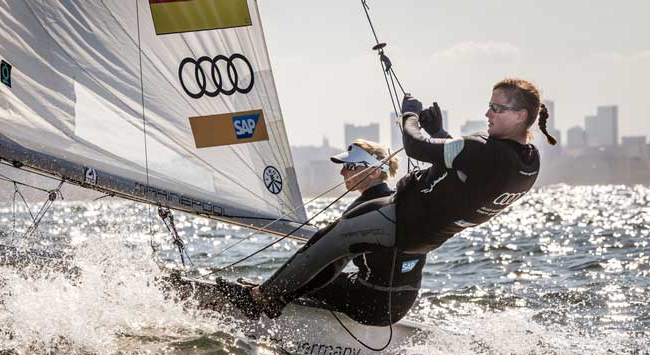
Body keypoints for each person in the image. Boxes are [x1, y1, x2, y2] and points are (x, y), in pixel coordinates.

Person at [223, 78, 556, 321]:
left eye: (498, 108)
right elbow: (467, 170)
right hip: (424, 233)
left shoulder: (484, 150)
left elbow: (415, 146)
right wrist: (441, 135)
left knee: (331, 242)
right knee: (339, 243)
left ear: (522, 115)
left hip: (405, 222)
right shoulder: (528, 161)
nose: (488, 112)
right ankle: (280, 294)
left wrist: (408, 116)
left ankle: (263, 299)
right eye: (490, 104)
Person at [267, 139, 426, 326]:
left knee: (311, 277)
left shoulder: (362, 211)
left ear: (374, 172)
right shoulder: (399, 204)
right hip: (402, 304)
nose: (342, 172)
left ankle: (266, 301)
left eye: (350, 166)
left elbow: (331, 265)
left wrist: (282, 295)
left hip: (371, 305)